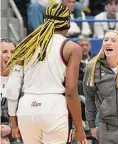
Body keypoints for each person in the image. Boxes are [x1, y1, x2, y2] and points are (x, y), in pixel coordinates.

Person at [6, 4, 87, 144]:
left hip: (26, 108)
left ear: (44, 20)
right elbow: (71, 91)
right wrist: (79, 128)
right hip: (54, 108)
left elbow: (12, 87)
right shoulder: (71, 47)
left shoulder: (26, 44)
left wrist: (13, 121)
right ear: (67, 23)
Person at [1, 38, 16, 144]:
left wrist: (11, 128)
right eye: (4, 52)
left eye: (13, 52)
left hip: (16, 134)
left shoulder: (24, 81)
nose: (9, 56)